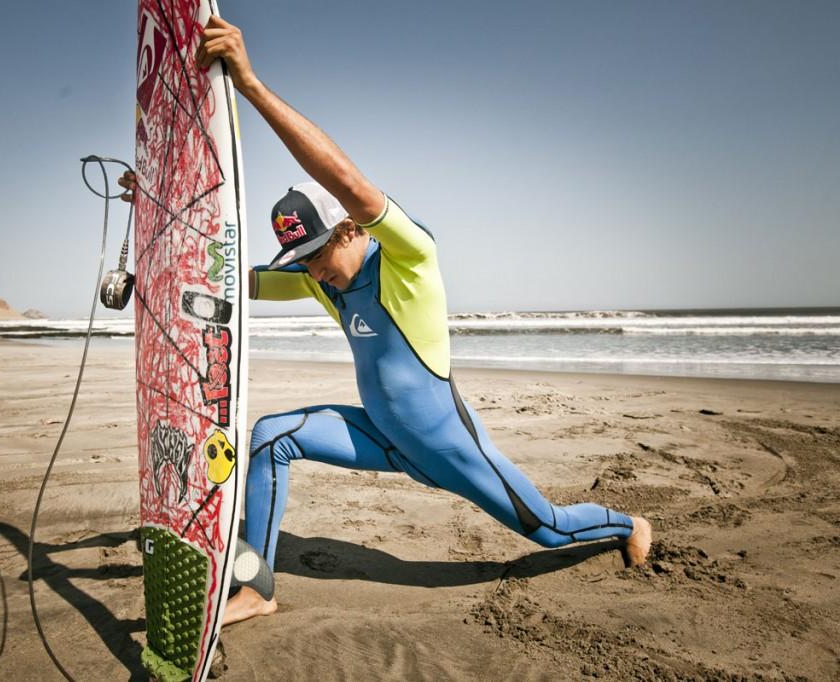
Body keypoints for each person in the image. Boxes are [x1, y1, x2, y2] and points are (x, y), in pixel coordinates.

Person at [124, 15, 652, 627]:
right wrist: (156, 209)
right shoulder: (324, 282)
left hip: (450, 450)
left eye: (317, 253)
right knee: (270, 436)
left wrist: (250, 84)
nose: (312, 271)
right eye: (300, 261)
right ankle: (259, 586)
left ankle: (628, 522)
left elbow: (345, 181)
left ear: (349, 228)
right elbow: (227, 284)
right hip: (380, 438)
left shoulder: (409, 259)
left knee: (547, 528)